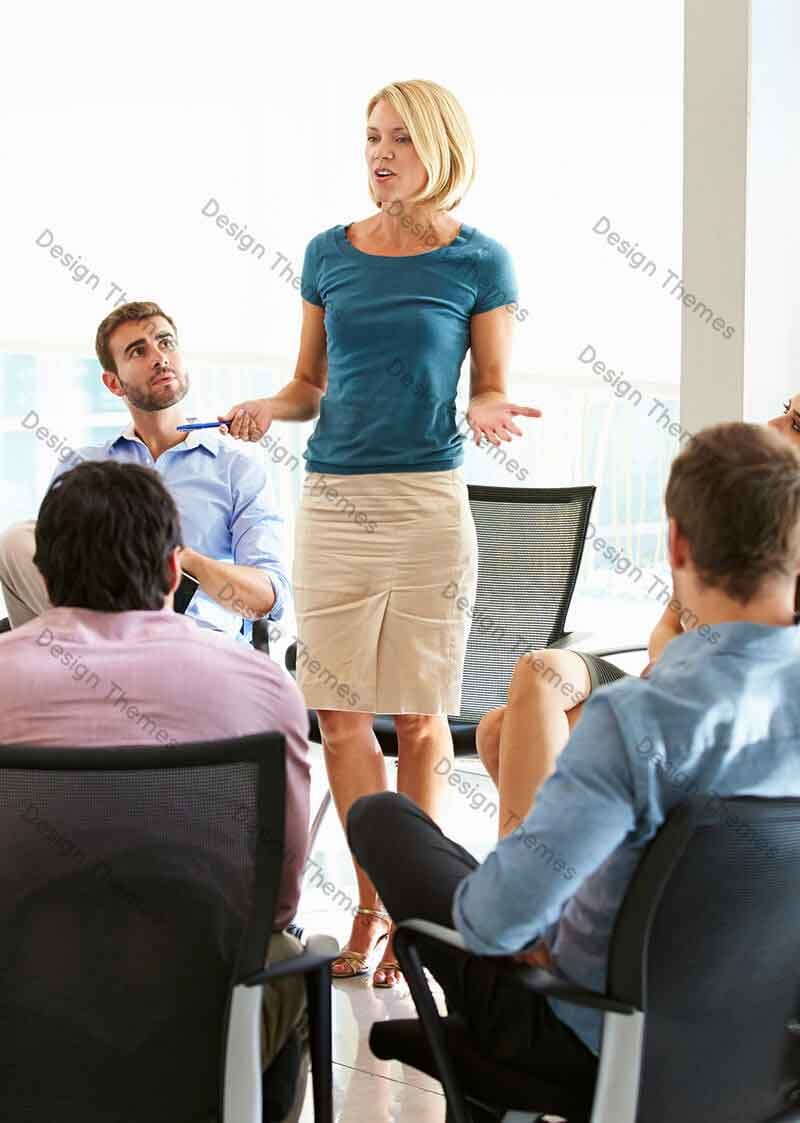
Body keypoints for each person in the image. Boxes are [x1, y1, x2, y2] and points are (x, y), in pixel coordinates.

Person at [347, 421, 800, 1104]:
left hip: (592, 1042)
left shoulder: (639, 719)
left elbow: (494, 926)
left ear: (677, 544)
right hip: (769, 1054)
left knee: (383, 817)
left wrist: (534, 921)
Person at [219, 79, 540, 986]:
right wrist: (268, 407)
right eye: (371, 137)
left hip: (427, 504)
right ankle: (369, 903)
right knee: (339, 713)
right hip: (334, 503)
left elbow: (489, 383)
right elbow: (308, 385)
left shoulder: (482, 261)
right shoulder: (330, 252)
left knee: (420, 715)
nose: (381, 153)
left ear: (440, 147)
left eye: (400, 137)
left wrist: (487, 409)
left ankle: (416, 915)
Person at [0, 460, 311, 1122]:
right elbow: (277, 903)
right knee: (286, 957)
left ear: (45, 576)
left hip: (21, 1021)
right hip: (200, 1025)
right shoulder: (263, 688)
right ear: (175, 571)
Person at [476, 392, 800, 836]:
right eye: (785, 410)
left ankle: (538, 866)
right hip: (667, 678)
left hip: (720, 707)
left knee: (499, 731)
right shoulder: (738, 515)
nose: (773, 424)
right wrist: (669, 661)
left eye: (796, 424)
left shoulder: (783, 550)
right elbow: (668, 624)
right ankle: (550, 867)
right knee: (539, 670)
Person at [0, 301, 289, 640]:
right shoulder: (83, 467)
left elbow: (267, 599)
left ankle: (126, 639)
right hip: (99, 634)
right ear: (113, 383)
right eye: (138, 351)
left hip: (195, 640)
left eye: (166, 342)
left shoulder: (236, 471)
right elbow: (58, 570)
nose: (160, 357)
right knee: (17, 540)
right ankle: (114, 638)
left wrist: (183, 559)